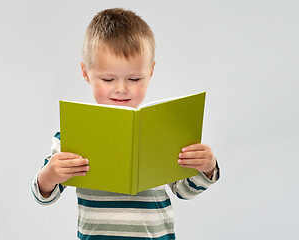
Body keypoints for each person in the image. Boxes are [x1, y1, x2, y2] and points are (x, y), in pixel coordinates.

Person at [31, 8, 220, 240]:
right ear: (86, 73)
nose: (121, 89)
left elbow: (185, 190)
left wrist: (207, 167)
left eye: (134, 79)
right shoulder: (73, 134)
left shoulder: (163, 132)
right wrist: (49, 175)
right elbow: (43, 195)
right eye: (108, 79)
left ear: (150, 72)